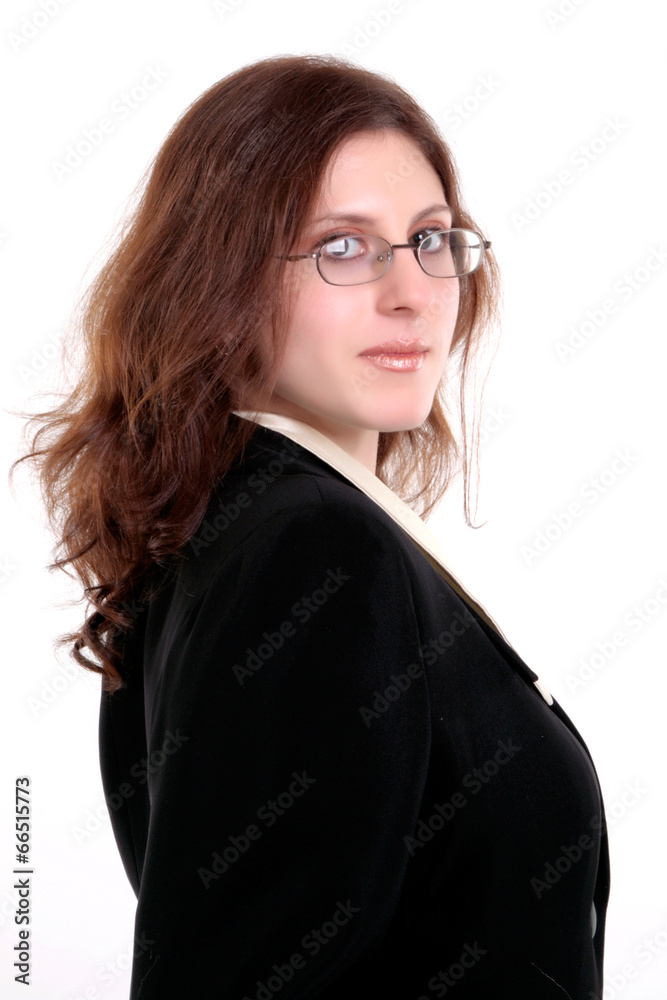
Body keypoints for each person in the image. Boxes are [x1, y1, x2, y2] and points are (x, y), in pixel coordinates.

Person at [11, 54, 610, 998]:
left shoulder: (238, 529)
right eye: (341, 246)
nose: (411, 291)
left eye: (430, 239)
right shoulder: (312, 548)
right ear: (222, 281)